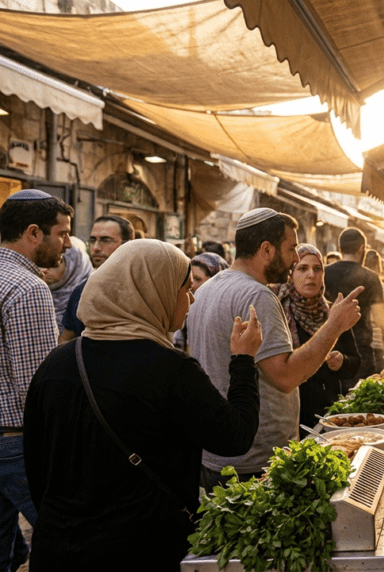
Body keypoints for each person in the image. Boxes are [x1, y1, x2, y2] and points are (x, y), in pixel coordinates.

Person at [23, 240, 262, 570]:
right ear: (155, 291)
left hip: (59, 550)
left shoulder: (57, 363)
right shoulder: (171, 370)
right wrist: (244, 361)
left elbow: (36, 466)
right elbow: (235, 437)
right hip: (141, 551)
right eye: (184, 288)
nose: (190, 298)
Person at [189, 208, 362, 490]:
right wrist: (335, 325)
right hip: (256, 461)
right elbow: (285, 377)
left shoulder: (207, 288)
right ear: (267, 250)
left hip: (218, 456)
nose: (295, 258)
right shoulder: (256, 294)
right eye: (291, 248)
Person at [0, 189, 73, 572]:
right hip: (14, 441)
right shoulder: (27, 288)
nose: (67, 243)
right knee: (70, 540)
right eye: (61, 233)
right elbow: (38, 384)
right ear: (33, 233)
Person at [273, 244, 361, 428]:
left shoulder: (333, 311)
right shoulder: (278, 311)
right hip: (290, 418)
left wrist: (342, 362)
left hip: (330, 416)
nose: (311, 275)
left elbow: (355, 363)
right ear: (291, 274)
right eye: (302, 268)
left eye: (317, 269)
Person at [323, 228, 384, 387]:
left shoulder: (323, 273)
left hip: (327, 350)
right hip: (360, 353)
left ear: (340, 249)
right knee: (361, 406)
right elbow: (381, 318)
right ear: (362, 249)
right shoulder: (370, 277)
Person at [59, 215, 134, 342]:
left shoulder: (143, 289)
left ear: (128, 244)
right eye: (93, 240)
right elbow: (65, 342)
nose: (96, 248)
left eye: (106, 240)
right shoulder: (82, 291)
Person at [41, 236, 92, 334]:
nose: (45, 269)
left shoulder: (86, 294)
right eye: (42, 263)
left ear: (75, 265)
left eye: (56, 263)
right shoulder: (33, 292)